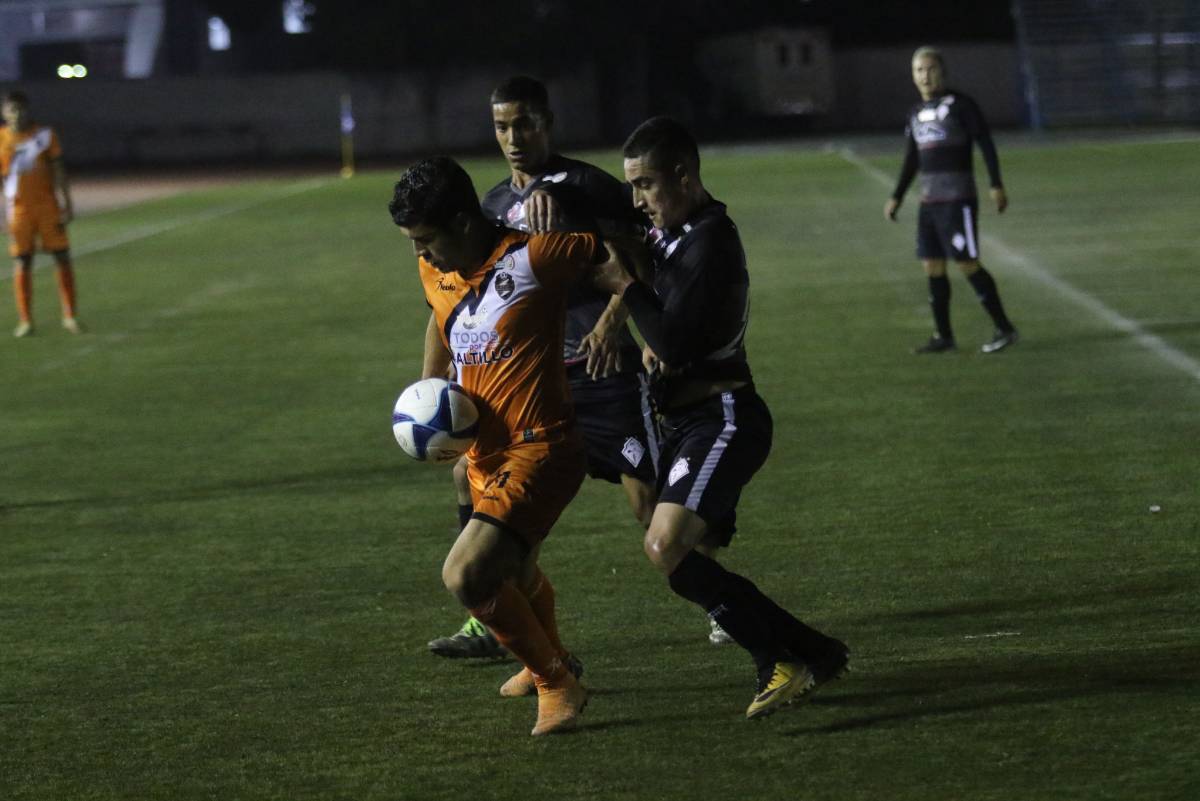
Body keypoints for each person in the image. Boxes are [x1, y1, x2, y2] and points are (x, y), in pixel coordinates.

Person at [426, 76, 732, 660]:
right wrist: (447, 375)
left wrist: (611, 324)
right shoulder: (490, 207)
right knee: (481, 484)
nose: (513, 138)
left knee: (647, 499)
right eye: (501, 126)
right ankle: (491, 617)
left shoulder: (590, 187)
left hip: (602, 373)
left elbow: (640, 258)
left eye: (524, 124)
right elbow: (464, 299)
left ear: (547, 123)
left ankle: (723, 603)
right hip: (531, 383)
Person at [593, 116, 848, 720]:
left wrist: (626, 289)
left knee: (666, 545)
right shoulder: (675, 232)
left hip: (724, 417)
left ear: (684, 177)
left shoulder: (710, 241)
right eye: (632, 186)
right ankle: (817, 652)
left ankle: (777, 660)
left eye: (646, 185)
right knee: (672, 552)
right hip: (691, 421)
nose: (638, 200)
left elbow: (674, 342)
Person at [390, 155, 631, 735]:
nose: (421, 253)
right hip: (485, 453)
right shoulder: (435, 269)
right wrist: (430, 388)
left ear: (463, 222)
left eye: (426, 239)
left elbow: (625, 260)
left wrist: (613, 320)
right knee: (514, 573)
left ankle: (557, 682)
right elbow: (440, 315)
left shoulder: (537, 256)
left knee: (465, 575)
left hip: (542, 448)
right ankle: (550, 658)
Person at [885, 46, 1017, 354]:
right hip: (929, 203)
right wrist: (897, 196)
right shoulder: (915, 113)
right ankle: (943, 336)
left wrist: (996, 183)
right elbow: (912, 158)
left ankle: (1004, 328)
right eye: (919, 70)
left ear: (943, 72)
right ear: (913, 75)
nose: (925, 75)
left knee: (967, 262)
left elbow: (985, 143)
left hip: (957, 201)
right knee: (932, 265)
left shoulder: (961, 105)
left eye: (931, 69)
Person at [0, 90, 81, 338]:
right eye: (12, 109)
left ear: (28, 110)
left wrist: (67, 203)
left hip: (47, 207)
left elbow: (59, 170)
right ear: (4, 113)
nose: (17, 114)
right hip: (19, 210)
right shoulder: (1, 138)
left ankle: (70, 316)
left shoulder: (44, 136)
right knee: (22, 260)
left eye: (20, 109)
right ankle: (26, 320)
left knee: (62, 257)